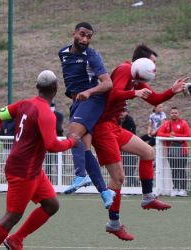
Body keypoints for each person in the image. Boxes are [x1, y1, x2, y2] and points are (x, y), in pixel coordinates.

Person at [92, 44, 186, 240]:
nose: (154, 67)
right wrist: (132, 93)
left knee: (148, 153)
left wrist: (172, 90)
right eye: (153, 63)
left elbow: (155, 99)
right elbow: (113, 93)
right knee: (118, 178)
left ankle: (147, 198)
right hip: (101, 128)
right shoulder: (126, 69)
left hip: (113, 126)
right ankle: (114, 224)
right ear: (142, 62)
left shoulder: (136, 77)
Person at [0, 70, 79, 250]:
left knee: (51, 205)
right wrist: (72, 142)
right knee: (11, 216)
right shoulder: (46, 114)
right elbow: (51, 145)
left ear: (37, 87)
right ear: (56, 89)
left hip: (32, 170)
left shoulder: (25, 104)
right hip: (23, 172)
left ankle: (16, 239)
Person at [58, 22, 115, 207]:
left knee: (73, 135)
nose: (85, 39)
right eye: (82, 34)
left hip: (92, 100)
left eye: (88, 37)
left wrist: (89, 92)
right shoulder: (63, 53)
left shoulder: (92, 55)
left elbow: (108, 84)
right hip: (77, 103)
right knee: (84, 148)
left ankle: (80, 175)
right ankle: (105, 192)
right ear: (73, 33)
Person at [157, 107, 190, 197]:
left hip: (183, 151)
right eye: (172, 113)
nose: (174, 114)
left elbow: (187, 134)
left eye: (175, 112)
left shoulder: (183, 123)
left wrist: (175, 136)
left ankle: (183, 189)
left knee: (181, 170)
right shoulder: (167, 124)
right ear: (170, 114)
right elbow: (159, 133)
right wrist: (168, 135)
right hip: (171, 151)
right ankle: (175, 188)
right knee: (174, 170)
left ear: (178, 114)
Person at [119, 108, 138, 186]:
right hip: (121, 148)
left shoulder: (130, 121)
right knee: (126, 169)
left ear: (126, 112)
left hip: (130, 148)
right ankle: (136, 184)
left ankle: (130, 186)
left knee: (129, 168)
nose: (122, 113)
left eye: (123, 112)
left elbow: (131, 134)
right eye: (121, 111)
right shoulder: (117, 120)